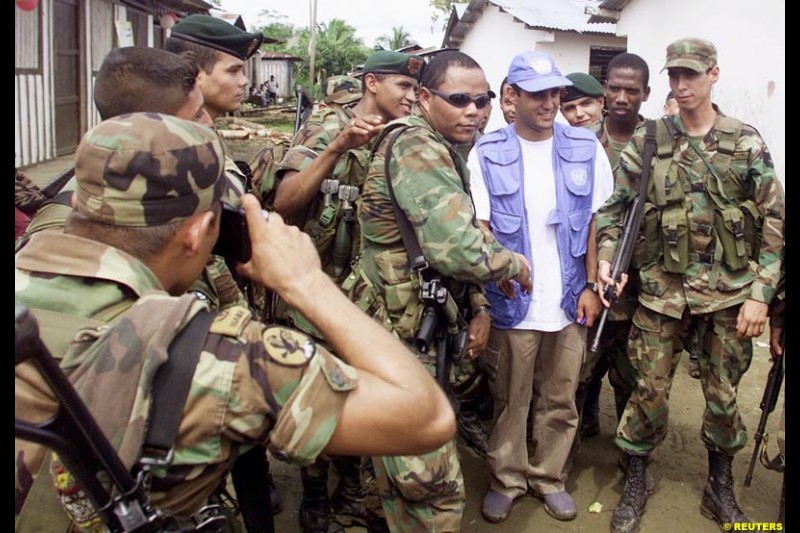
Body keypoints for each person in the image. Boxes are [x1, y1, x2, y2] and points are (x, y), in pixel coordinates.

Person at [15, 112, 457, 530]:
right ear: (195, 233)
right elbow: (426, 417)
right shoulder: (215, 359)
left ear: (78, 202)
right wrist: (306, 282)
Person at [597, 38, 785, 533]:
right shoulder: (651, 139)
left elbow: (774, 222)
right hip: (661, 294)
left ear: (713, 75)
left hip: (728, 296)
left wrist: (761, 295)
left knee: (723, 396)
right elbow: (616, 210)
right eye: (674, 76)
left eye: (691, 76)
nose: (681, 86)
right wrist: (605, 259)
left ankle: (718, 488)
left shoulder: (745, 141)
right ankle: (637, 476)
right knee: (649, 391)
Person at [347, 49, 532, 532]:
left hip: (406, 329)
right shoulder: (417, 147)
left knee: (391, 474)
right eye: (459, 99)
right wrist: (514, 263)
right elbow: (456, 248)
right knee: (436, 495)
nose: (475, 110)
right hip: (396, 339)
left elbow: (440, 242)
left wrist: (475, 301)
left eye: (483, 99)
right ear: (425, 98)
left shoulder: (440, 147)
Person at [272, 50, 423, 533]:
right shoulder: (325, 127)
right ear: (372, 83)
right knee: (317, 394)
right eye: (402, 85)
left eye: (415, 89)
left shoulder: (408, 136)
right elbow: (284, 203)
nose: (410, 96)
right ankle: (315, 494)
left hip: (375, 296)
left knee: (365, 393)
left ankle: (353, 487)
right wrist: (337, 147)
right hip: (320, 292)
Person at [469, 50, 613, 524]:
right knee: (512, 395)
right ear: (511, 94)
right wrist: (500, 278)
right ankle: (507, 479)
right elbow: (482, 228)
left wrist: (592, 283)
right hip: (515, 300)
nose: (550, 101)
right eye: (537, 93)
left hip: (570, 297)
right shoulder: (487, 152)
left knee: (561, 396)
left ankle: (549, 477)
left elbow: (593, 222)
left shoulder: (586, 148)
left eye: (555, 92)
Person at [575, 52, 651, 442]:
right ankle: (583, 421)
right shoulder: (582, 144)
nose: (622, 97)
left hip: (642, 277)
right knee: (584, 364)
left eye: (631, 91)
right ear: (605, 91)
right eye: (615, 88)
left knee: (630, 367)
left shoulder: (658, 143)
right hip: (593, 270)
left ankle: (628, 449)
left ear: (645, 94)